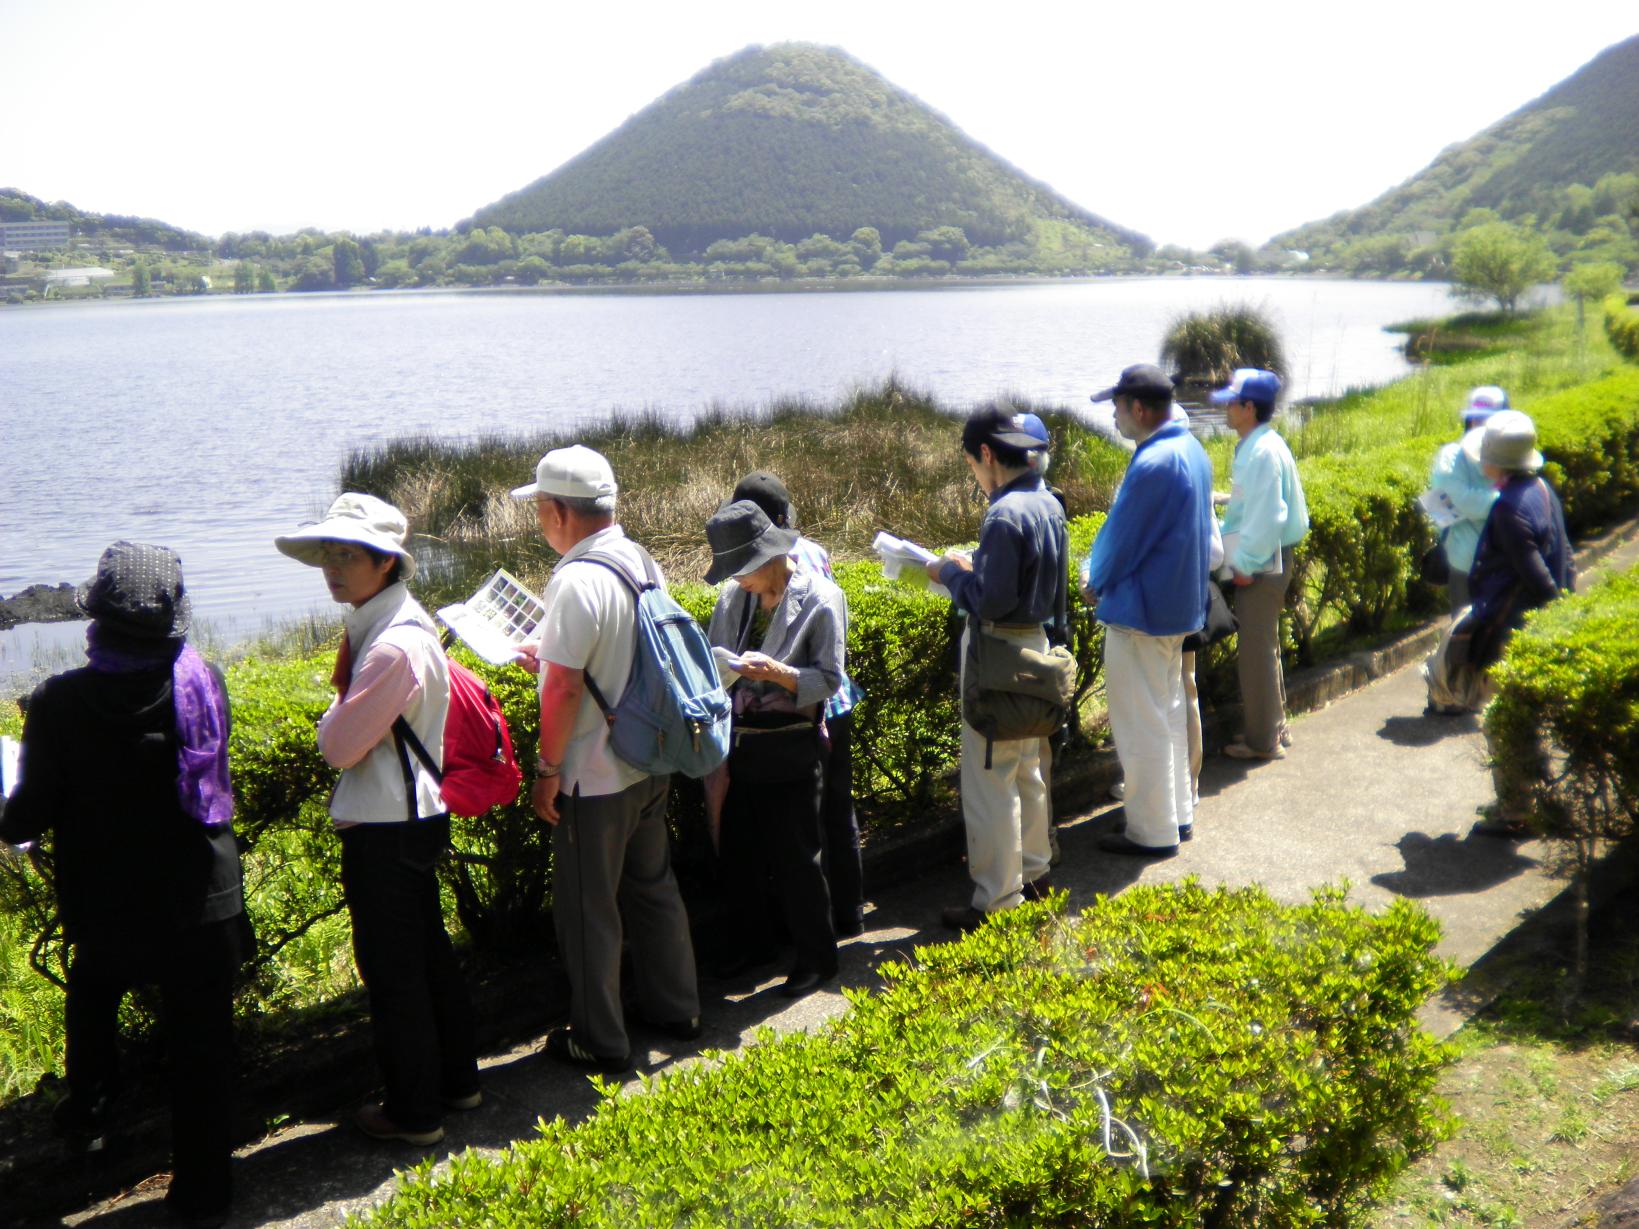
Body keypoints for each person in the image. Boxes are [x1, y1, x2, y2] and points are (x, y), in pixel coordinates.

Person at [0, 542, 247, 1226]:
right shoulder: (204, 682)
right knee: (202, 1054)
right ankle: (205, 1199)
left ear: (96, 622)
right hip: (203, 901)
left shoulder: (57, 701)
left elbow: (25, 814)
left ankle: (91, 1107)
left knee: (92, 995)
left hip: (110, 908)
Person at [275, 494, 479, 1145]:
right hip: (414, 815)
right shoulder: (398, 624)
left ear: (384, 563)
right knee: (427, 959)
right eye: (327, 554)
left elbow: (339, 746)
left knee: (395, 975)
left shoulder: (389, 645)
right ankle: (457, 1082)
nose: (332, 567)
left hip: (388, 829)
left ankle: (415, 1111)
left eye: (346, 554)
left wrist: (325, 721)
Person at [511, 446, 700, 1070]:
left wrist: (546, 773)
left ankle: (599, 1040)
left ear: (562, 511)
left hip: (594, 777)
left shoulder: (573, 579)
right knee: (653, 890)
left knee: (590, 911)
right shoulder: (637, 559)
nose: (538, 519)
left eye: (540, 507)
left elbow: (565, 688)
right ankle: (679, 1009)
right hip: (649, 759)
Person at [925, 404, 1067, 931]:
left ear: (987, 454)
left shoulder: (1004, 514)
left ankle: (996, 900)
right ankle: (1034, 874)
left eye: (972, 465)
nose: (976, 476)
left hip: (997, 654)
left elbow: (990, 600)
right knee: (1027, 767)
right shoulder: (1047, 502)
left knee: (990, 780)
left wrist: (948, 574)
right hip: (1036, 646)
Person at [704, 499, 847, 996]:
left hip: (790, 747)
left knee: (797, 858)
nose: (737, 579)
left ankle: (817, 958)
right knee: (738, 850)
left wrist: (780, 675)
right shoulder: (732, 596)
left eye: (741, 568)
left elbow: (829, 679)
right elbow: (714, 663)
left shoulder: (823, 598)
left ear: (768, 556)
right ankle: (754, 945)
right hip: (738, 743)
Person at [1081, 365, 1214, 857]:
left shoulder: (1154, 461)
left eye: (1117, 407)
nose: (1114, 417)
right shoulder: (1192, 450)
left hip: (1141, 613)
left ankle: (1150, 830)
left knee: (1141, 726)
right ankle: (1176, 815)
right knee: (1169, 715)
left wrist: (1093, 579)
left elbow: (1121, 541)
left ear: (1138, 408)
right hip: (1177, 609)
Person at [730, 470, 867, 937]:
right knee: (835, 811)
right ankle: (848, 915)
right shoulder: (814, 551)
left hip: (811, 706)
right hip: (837, 704)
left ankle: (819, 925)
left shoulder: (789, 566)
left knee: (808, 822)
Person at [1212, 368, 1310, 762]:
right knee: (1264, 646)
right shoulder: (1263, 442)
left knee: (1255, 651)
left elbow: (1270, 514)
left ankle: (1260, 741)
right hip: (1270, 555)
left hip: (1263, 561)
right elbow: (1257, 504)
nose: (1226, 409)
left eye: (1232, 402)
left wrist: (1246, 565)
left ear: (1249, 408)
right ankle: (1274, 727)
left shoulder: (1260, 450)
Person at [1427, 387, 1507, 613]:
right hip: (1465, 566)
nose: (1479, 426)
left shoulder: (1512, 457)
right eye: (1475, 420)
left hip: (1506, 563)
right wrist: (1505, 502)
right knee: (1465, 635)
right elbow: (1456, 499)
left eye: (1487, 421)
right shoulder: (1452, 456)